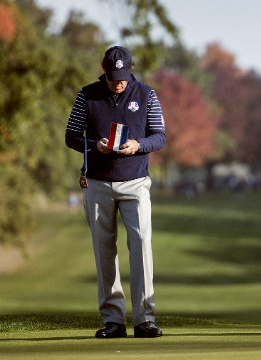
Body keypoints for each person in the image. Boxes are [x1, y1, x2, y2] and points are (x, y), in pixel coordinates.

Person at [65, 46, 166, 338]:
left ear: (130, 70)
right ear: (104, 71)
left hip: (136, 182)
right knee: (104, 250)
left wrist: (139, 145)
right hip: (97, 183)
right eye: (112, 77)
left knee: (142, 245)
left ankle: (145, 318)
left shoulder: (147, 94)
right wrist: (94, 144)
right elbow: (71, 135)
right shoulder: (87, 95)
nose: (117, 83)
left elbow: (159, 135)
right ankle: (113, 320)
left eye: (122, 77)